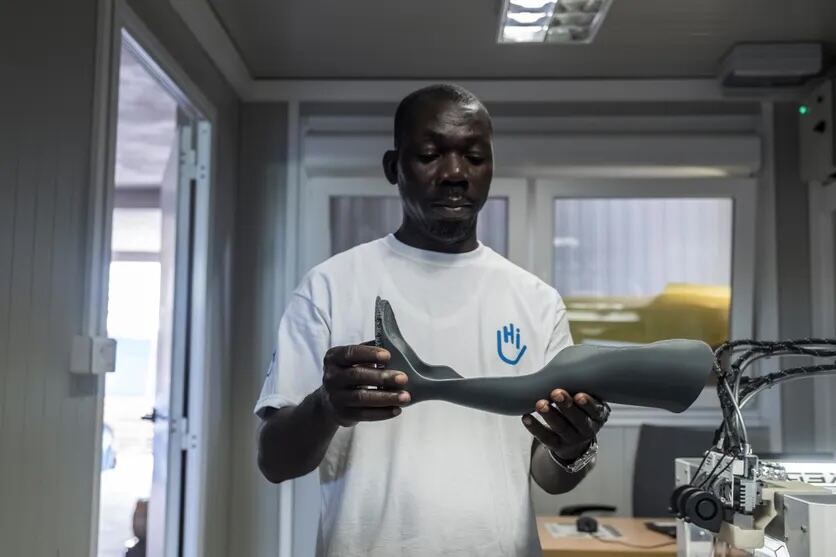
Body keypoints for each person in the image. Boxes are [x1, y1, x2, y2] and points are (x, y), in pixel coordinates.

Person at [255, 84, 609, 557]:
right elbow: (274, 462)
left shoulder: (535, 301)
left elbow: (547, 475)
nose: (455, 174)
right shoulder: (331, 287)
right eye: (430, 154)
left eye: (474, 157)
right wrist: (326, 406)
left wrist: (571, 448)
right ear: (392, 168)